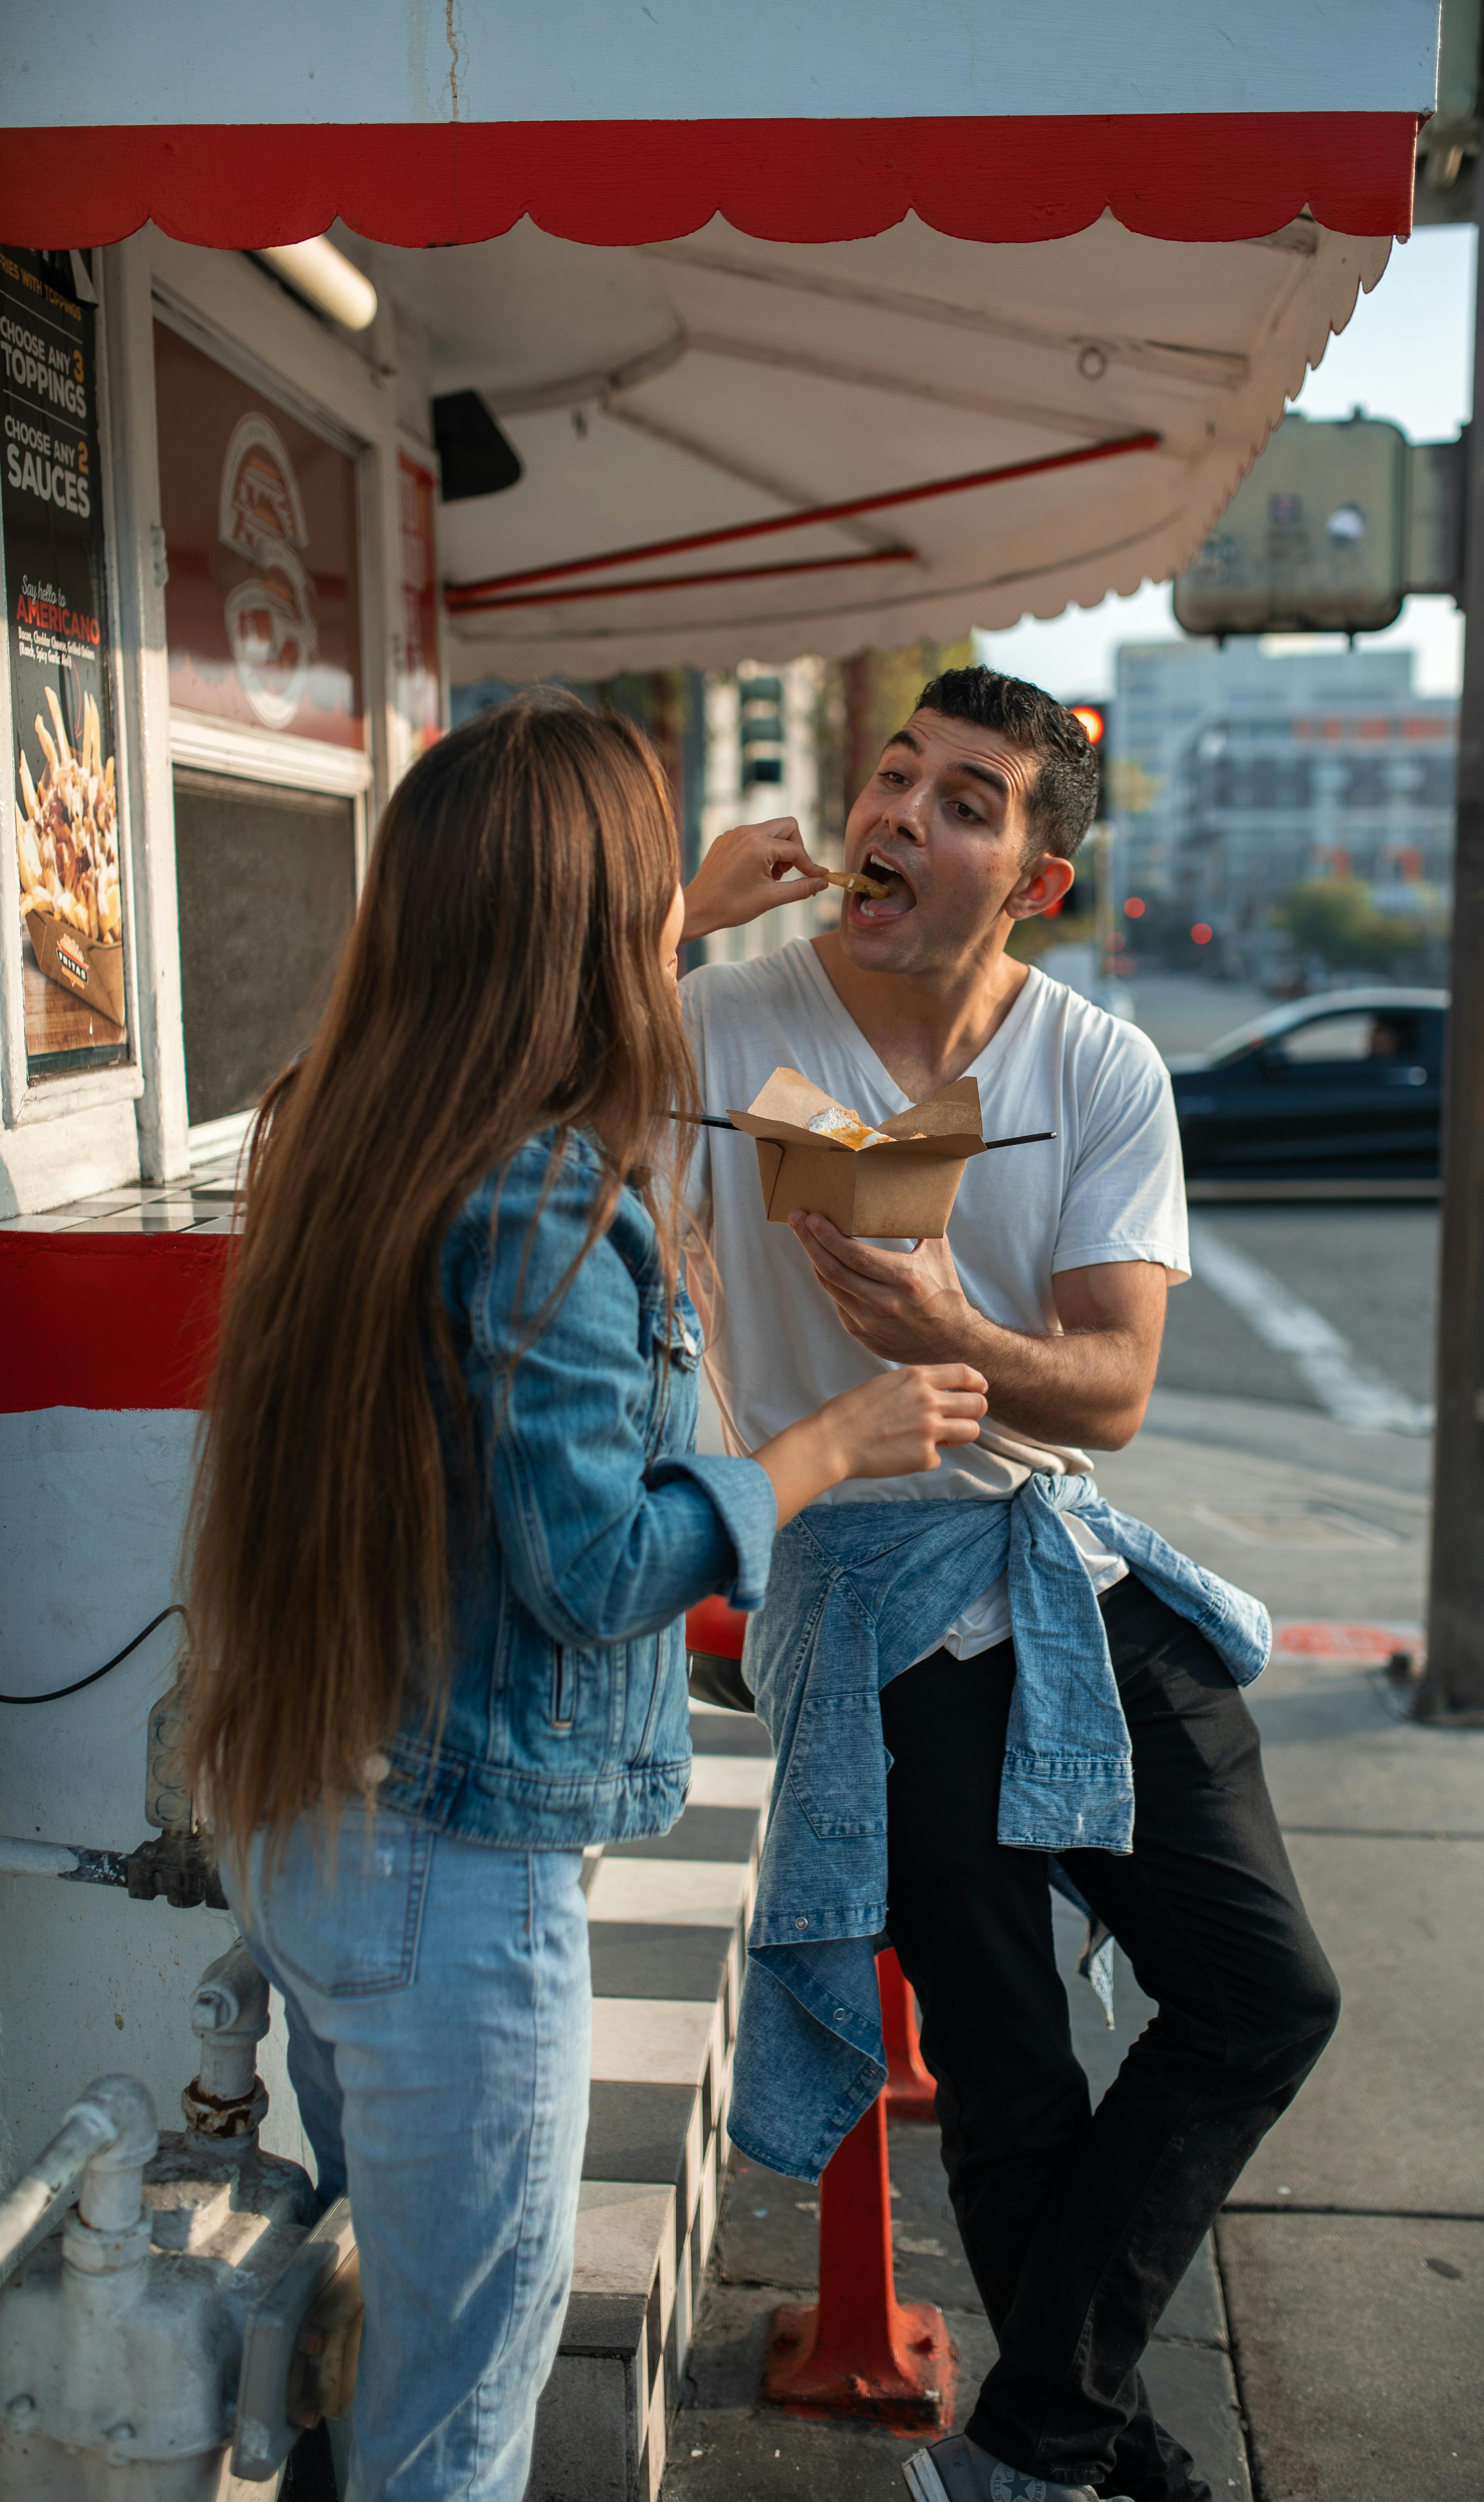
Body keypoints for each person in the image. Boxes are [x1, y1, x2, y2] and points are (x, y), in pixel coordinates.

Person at [179, 696, 987, 2502]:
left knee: (375, 2361)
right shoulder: (545, 1192)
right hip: (453, 1894)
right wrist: (824, 1446)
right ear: (580, 927)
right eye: (641, 889)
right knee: (452, 2428)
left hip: (323, 1831)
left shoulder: (342, 1118)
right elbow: (599, 1567)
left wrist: (667, 913)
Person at [677, 666, 1341, 2502]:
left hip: (1054, 1560)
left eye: (965, 799)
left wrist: (956, 1330)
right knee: (1005, 2057)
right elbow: (457, 1045)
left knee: (1264, 1993)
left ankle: (1039, 2440)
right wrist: (664, 919)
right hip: (868, 1597)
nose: (899, 814)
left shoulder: (1098, 1064)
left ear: (1031, 878)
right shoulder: (720, 1022)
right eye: (894, 775)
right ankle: (1074, 2458)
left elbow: (1113, 1388)